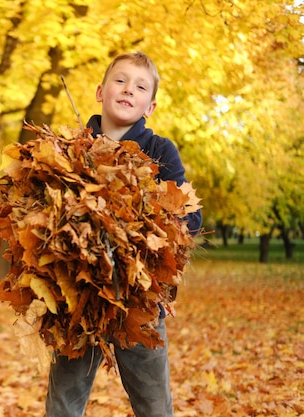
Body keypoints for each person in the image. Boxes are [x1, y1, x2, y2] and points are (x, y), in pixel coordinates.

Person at [44, 52, 203, 417]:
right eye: (120, 80)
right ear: (101, 91)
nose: (128, 89)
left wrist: (143, 221)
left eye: (140, 86)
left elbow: (189, 219)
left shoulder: (159, 151)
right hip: (77, 296)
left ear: (151, 105)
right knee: (62, 403)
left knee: (153, 403)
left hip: (140, 301)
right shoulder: (70, 149)